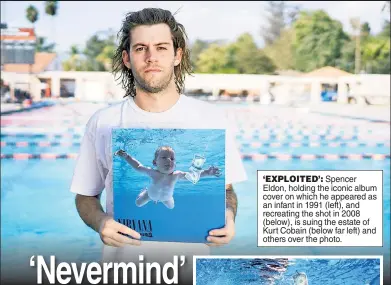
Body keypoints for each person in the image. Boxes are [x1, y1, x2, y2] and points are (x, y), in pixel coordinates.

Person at [70, 7, 247, 284]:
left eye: (161, 47)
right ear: (127, 58)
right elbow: (85, 197)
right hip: (122, 272)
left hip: (189, 273)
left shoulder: (212, 119)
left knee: (168, 201)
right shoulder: (103, 122)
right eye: (141, 48)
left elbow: (226, 191)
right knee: (143, 198)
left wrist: (228, 215)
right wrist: (101, 223)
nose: (151, 57)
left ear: (177, 55)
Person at [114, 146, 221, 209]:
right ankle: (145, 191)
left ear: (175, 164)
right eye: (164, 157)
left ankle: (167, 197)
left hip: (166, 198)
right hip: (150, 195)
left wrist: (207, 172)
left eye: (172, 158)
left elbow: (193, 176)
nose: (169, 160)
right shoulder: (152, 172)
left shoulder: (176, 175)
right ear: (155, 162)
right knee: (138, 203)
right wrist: (126, 157)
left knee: (171, 207)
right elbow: (138, 166)